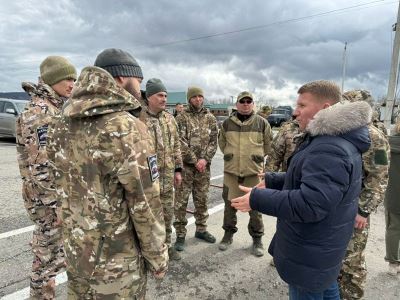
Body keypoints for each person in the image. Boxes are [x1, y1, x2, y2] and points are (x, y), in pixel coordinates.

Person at [231, 80, 372, 299]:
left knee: (311, 289)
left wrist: (257, 198)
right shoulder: (333, 139)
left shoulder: (329, 147)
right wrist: (274, 180)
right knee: (325, 288)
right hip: (321, 247)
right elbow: (318, 182)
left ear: (325, 109)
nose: (295, 113)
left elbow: (310, 204)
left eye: (302, 106)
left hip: (311, 251)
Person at [47, 48, 168, 299]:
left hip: (77, 251)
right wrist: (158, 257)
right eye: (139, 80)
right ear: (123, 78)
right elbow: (145, 204)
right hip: (116, 262)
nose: (140, 88)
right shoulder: (126, 127)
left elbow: (57, 182)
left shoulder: (61, 122)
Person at [16, 56, 77, 299]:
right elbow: (42, 167)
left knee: (52, 259)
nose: (72, 84)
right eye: (67, 78)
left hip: (52, 201)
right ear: (52, 80)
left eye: (74, 78)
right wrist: (57, 205)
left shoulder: (53, 108)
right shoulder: (41, 113)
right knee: (46, 262)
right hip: (48, 203)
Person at [338, 90, 389, 299]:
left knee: (352, 262)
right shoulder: (340, 132)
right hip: (337, 208)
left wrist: (363, 211)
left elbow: (379, 178)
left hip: (355, 211)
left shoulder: (374, 138)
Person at [217, 91, 272, 256]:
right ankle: (228, 235)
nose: (246, 104)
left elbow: (268, 146)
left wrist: (254, 159)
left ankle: (257, 239)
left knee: (255, 208)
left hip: (253, 173)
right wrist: (234, 158)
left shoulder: (262, 123)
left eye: (249, 101)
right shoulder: (226, 124)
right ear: (237, 104)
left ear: (253, 104)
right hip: (231, 173)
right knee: (229, 207)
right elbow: (222, 144)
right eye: (243, 101)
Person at [140, 78, 183, 261]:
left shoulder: (169, 119)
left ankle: (167, 247)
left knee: (167, 214)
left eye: (165, 95)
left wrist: (178, 170)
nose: (164, 99)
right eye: (160, 95)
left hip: (166, 179)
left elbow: (176, 146)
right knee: (147, 217)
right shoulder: (137, 118)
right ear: (149, 96)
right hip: (147, 180)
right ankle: (149, 251)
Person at [173, 86, 218, 251]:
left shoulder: (210, 118)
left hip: (203, 169)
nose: (198, 99)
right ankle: (180, 234)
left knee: (202, 200)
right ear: (189, 99)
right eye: (194, 97)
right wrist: (194, 160)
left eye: (200, 96)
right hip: (186, 168)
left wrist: (205, 160)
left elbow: (214, 140)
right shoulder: (181, 118)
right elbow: (179, 141)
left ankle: (201, 229)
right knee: (181, 202)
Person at [384, 119, 400, 275]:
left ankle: (393, 264)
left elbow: (379, 164)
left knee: (393, 227)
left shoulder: (387, 142)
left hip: (394, 193)